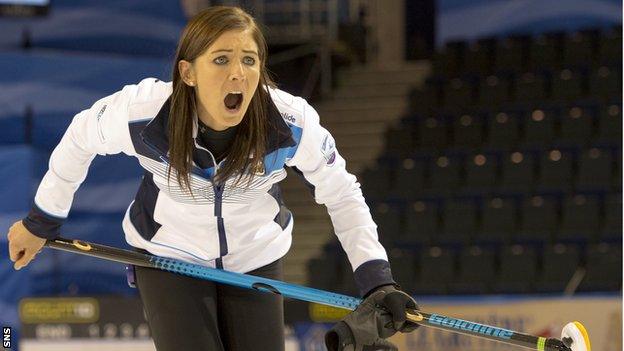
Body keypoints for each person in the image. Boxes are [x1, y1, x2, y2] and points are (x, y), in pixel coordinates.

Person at [7, 6, 418, 351]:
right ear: (188, 72)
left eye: (249, 59)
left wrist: (376, 279)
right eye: (221, 59)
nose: (238, 73)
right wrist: (40, 222)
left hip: (254, 259)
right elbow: (80, 137)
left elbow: (342, 193)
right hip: (168, 257)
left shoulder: (292, 123)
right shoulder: (142, 111)